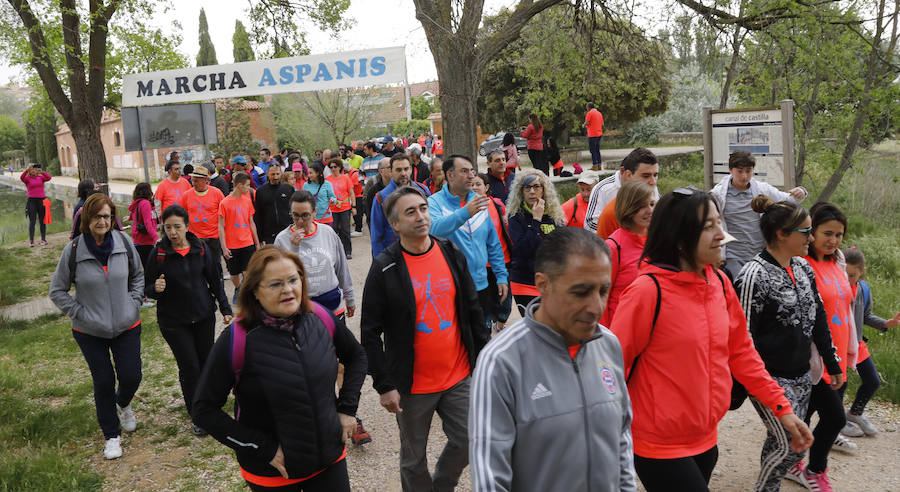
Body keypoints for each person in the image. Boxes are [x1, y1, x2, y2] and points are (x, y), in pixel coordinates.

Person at [610, 187, 812, 492]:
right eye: (708, 226)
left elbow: (742, 353)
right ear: (680, 238)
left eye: (719, 223)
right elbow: (612, 369)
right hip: (657, 444)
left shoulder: (719, 282)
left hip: (705, 438)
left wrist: (782, 408)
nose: (722, 234)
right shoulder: (646, 292)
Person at [470, 227, 636, 491]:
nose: (596, 307)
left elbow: (622, 440)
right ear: (543, 284)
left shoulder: (608, 344)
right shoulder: (501, 361)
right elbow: (490, 478)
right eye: (581, 292)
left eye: (603, 291)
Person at [192, 246, 367, 491]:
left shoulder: (320, 317)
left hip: (328, 459)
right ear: (254, 291)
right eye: (275, 284)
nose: (288, 290)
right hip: (273, 473)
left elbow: (356, 355)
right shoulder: (237, 339)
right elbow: (204, 410)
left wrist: (348, 409)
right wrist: (261, 448)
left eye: (293, 279)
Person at [361, 186, 487, 492]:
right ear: (395, 224)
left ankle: (441, 486)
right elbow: (369, 332)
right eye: (411, 212)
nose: (421, 216)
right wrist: (385, 384)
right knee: (413, 460)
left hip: (458, 375)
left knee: (472, 439)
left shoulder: (448, 251)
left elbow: (472, 309)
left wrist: (483, 360)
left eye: (423, 208)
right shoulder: (385, 267)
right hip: (413, 387)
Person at [734, 196, 843, 492]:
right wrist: (750, 385)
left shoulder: (802, 268)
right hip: (768, 379)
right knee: (790, 445)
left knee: (783, 443)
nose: (811, 236)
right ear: (782, 234)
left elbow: (818, 316)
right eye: (805, 232)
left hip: (802, 375)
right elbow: (741, 337)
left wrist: (831, 363)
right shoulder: (753, 275)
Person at [49, 193, 145, 460]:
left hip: (127, 324)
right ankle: (112, 436)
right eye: (97, 216)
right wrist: (79, 313)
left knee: (131, 376)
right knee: (103, 381)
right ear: (87, 219)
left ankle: (123, 403)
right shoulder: (73, 250)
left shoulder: (124, 242)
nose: (103, 221)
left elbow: (138, 275)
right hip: (89, 331)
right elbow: (57, 290)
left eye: (107, 216)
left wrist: (133, 302)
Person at [144, 204, 232, 436]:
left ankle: (209, 405)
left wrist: (225, 309)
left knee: (206, 363)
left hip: (203, 316)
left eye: (177, 227)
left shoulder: (200, 248)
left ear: (187, 226)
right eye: (167, 228)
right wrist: (155, 287)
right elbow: (146, 287)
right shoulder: (159, 253)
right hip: (174, 321)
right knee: (190, 367)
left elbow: (215, 281)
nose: (172, 232)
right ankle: (198, 416)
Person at [798, 202, 857, 484]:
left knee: (806, 414)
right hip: (816, 360)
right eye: (827, 233)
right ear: (812, 232)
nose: (833, 240)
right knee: (835, 418)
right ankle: (815, 471)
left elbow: (846, 309)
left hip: (839, 354)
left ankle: (790, 460)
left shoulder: (837, 262)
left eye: (839, 234)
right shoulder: (803, 265)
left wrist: (850, 350)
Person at [429, 155, 509, 329]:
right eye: (464, 171)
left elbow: (492, 243)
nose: (471, 176)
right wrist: (465, 212)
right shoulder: (434, 202)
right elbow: (434, 229)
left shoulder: (480, 202)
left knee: (482, 337)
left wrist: (501, 275)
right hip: (449, 288)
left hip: (481, 285)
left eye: (471, 171)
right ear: (450, 176)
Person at [710, 150, 808, 276]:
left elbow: (788, 200)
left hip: (760, 253)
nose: (744, 176)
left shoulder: (762, 189)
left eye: (748, 171)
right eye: (740, 171)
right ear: (731, 170)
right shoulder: (718, 195)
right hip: (733, 255)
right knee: (740, 287)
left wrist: (801, 191)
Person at [842, 247, 900, 436]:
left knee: (872, 381)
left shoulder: (864, 289)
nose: (847, 279)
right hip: (837, 345)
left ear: (862, 272)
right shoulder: (835, 288)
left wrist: (886, 323)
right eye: (843, 273)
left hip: (857, 344)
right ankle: (836, 421)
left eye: (851, 275)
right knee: (838, 385)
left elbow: (866, 316)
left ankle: (854, 413)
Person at [505, 169, 565, 314]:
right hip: (524, 282)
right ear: (521, 192)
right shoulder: (516, 216)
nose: (532, 191)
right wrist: (536, 220)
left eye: (536, 187)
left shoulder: (554, 215)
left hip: (550, 281)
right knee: (535, 327)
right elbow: (523, 250)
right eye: (527, 187)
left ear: (544, 190)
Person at [599, 180, 655, 327]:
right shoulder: (612, 247)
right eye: (642, 206)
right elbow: (600, 297)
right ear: (629, 208)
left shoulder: (657, 241)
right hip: (620, 332)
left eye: (651, 204)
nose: (649, 210)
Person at [583, 147, 660, 235]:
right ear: (627, 174)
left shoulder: (651, 187)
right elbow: (589, 225)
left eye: (655, 175)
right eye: (646, 176)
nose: (653, 182)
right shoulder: (603, 189)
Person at [369, 153, 430, 257]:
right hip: (395, 256)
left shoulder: (423, 190)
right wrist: (381, 263)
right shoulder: (381, 198)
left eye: (406, 169)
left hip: (423, 253)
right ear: (391, 171)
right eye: (398, 170)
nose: (403, 173)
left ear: (411, 169)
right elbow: (376, 235)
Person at [473, 173, 513, 330]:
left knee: (505, 300)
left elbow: (506, 228)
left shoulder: (497, 205)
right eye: (472, 184)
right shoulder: (465, 209)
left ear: (487, 187)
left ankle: (501, 323)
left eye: (478, 184)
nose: (475, 187)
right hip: (481, 263)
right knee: (486, 301)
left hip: (503, 259)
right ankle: (488, 327)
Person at [218, 172, 261, 304]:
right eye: (247, 185)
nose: (249, 188)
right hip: (232, 244)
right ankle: (238, 288)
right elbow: (220, 226)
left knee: (248, 271)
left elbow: (251, 222)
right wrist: (224, 247)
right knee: (234, 274)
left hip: (247, 242)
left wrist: (257, 243)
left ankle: (247, 294)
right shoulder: (224, 203)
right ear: (240, 185)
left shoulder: (247, 200)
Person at [178, 165, 227, 277]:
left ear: (206, 180)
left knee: (215, 266)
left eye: (196, 181)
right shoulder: (187, 195)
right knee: (198, 268)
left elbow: (224, 214)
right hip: (195, 238)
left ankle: (218, 291)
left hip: (214, 237)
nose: (193, 183)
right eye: (192, 180)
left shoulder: (217, 193)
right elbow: (182, 215)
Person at [127, 182, 159, 306]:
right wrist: (156, 238)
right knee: (148, 269)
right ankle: (144, 296)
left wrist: (129, 219)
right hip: (146, 241)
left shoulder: (137, 203)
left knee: (143, 268)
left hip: (138, 240)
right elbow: (147, 223)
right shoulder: (145, 204)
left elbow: (134, 215)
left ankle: (145, 295)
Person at [253, 164, 294, 245]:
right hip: (269, 234)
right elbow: (258, 215)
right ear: (268, 174)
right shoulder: (261, 191)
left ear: (281, 174)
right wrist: (260, 237)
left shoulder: (288, 189)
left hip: (287, 231)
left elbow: (294, 210)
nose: (275, 177)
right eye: (273, 174)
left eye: (277, 174)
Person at [325, 158, 356, 259]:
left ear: (340, 167)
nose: (333, 169)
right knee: (333, 230)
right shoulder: (327, 180)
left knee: (346, 230)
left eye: (335, 166)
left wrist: (354, 207)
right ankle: (336, 251)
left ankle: (348, 251)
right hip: (332, 209)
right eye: (331, 167)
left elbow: (351, 193)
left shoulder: (346, 178)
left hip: (345, 208)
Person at [21, 163, 51, 246]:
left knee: (42, 221)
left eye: (35, 169)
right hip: (32, 202)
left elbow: (49, 177)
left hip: (42, 201)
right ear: (30, 171)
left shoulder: (41, 177)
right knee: (32, 222)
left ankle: (43, 240)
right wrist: (27, 169)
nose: (34, 170)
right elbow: (21, 177)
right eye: (32, 169)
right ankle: (31, 241)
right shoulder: (27, 179)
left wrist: (41, 171)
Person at [365, 157, 392, 230]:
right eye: (390, 167)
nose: (392, 169)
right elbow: (370, 214)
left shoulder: (400, 187)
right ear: (381, 171)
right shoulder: (373, 187)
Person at [583, 102, 604, 170]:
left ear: (588, 107)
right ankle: (599, 165)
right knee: (597, 150)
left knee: (592, 150)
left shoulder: (589, 113)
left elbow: (587, 122)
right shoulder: (599, 113)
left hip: (592, 134)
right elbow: (602, 123)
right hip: (599, 133)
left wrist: (584, 125)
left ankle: (595, 165)